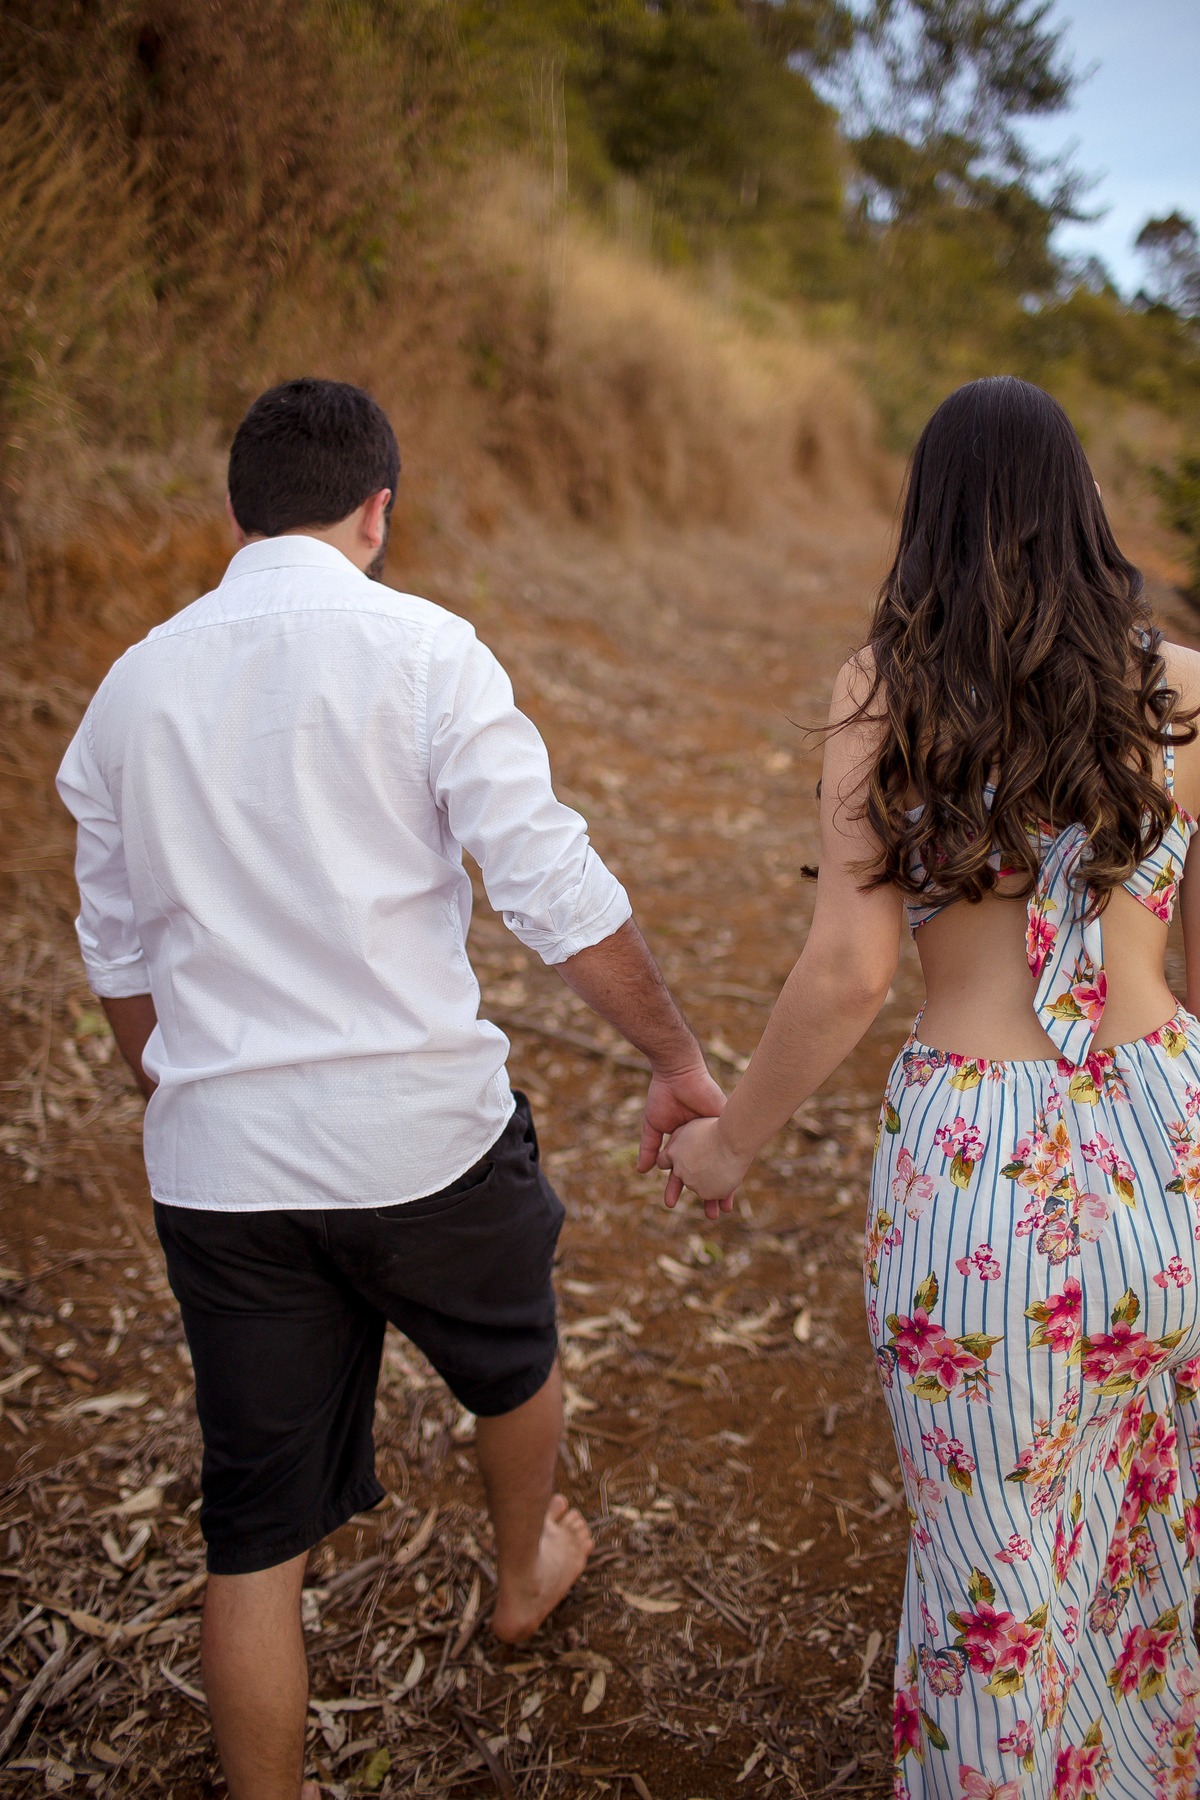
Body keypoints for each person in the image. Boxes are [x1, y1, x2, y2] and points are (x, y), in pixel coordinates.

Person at [56, 378, 725, 1800]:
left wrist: (180, 1094)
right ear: (378, 512)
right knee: (514, 1360)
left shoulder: (127, 690)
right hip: (427, 1142)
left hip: (224, 1173)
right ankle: (525, 1571)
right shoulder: (426, 650)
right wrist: (674, 1058)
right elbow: (550, 886)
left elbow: (116, 953)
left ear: (233, 513)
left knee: (252, 1541)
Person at [660, 376, 1200, 1798]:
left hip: (978, 1180)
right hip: (1169, 1145)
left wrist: (729, 1144)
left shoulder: (886, 691)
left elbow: (848, 971)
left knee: (991, 1585)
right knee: (1153, 1549)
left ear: (930, 518)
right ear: (1085, 508)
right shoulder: (1186, 690)